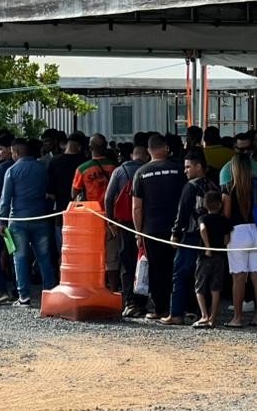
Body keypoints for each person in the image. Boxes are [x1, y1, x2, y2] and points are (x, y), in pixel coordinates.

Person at [133, 134, 188, 323]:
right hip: (177, 228)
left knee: (157, 270)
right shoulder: (179, 170)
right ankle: (181, 308)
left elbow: (136, 207)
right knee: (178, 268)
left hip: (152, 229)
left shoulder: (141, 172)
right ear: (166, 148)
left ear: (148, 150)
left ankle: (160, 308)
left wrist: (138, 232)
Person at [0, 138, 56, 306]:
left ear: (16, 152)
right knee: (44, 258)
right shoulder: (42, 168)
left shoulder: (12, 171)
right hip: (40, 218)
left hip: (18, 220)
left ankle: (24, 296)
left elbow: (5, 199)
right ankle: (49, 293)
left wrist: (1, 222)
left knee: (20, 258)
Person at [169, 148, 217, 324]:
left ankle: (176, 314)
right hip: (211, 238)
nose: (185, 170)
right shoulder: (213, 186)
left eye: (188, 167)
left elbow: (182, 213)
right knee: (204, 277)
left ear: (198, 167)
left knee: (180, 274)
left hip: (191, 236)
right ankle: (200, 312)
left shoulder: (190, 187)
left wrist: (175, 234)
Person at [222, 150, 257, 327]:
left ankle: (237, 317)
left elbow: (226, 214)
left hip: (238, 232)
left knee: (239, 277)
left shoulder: (229, 187)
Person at [105, 143, 146, 315]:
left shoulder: (119, 171)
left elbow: (108, 197)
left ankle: (130, 302)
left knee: (127, 263)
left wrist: (111, 222)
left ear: (131, 156)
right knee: (145, 262)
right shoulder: (146, 170)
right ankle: (144, 301)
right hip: (146, 223)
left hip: (125, 223)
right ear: (145, 155)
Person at [193, 191, 231, 328]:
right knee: (216, 288)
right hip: (219, 256)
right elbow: (227, 239)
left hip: (205, 257)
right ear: (220, 205)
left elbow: (202, 229)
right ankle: (213, 318)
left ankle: (204, 315)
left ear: (205, 205)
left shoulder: (203, 218)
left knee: (199, 287)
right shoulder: (224, 220)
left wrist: (207, 247)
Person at [72, 134, 116, 204]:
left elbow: (74, 194)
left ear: (90, 148)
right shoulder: (115, 167)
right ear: (105, 146)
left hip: (92, 208)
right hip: (111, 208)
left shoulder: (82, 169)